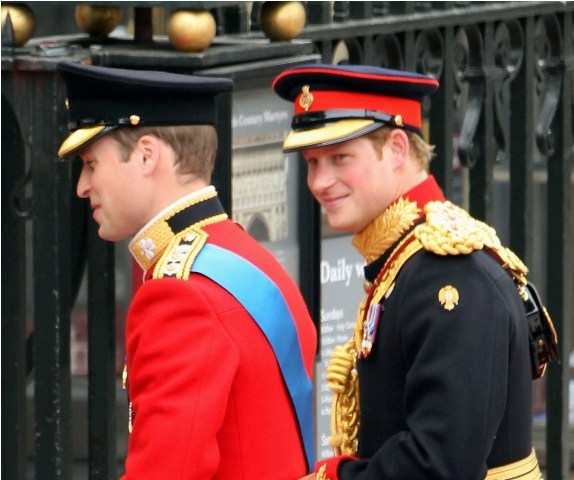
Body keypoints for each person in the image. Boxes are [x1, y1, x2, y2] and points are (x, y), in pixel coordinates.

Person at [272, 64, 558, 480]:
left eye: (339, 158)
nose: (319, 181)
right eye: (312, 162)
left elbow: (439, 465)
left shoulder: (449, 273)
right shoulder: (405, 257)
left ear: (397, 148)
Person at [57, 62, 317, 479]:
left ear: (146, 155)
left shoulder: (180, 295)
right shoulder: (251, 257)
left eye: (91, 164)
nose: (82, 186)